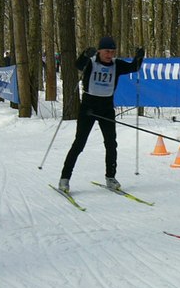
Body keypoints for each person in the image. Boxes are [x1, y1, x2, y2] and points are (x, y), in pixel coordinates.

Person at [58, 37, 145, 193]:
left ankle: (110, 177)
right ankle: (65, 178)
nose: (109, 55)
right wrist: (85, 54)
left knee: (111, 144)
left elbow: (134, 67)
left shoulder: (116, 64)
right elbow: (78, 65)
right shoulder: (91, 62)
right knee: (79, 143)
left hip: (106, 107)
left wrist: (139, 57)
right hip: (88, 107)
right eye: (107, 51)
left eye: (112, 52)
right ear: (99, 51)